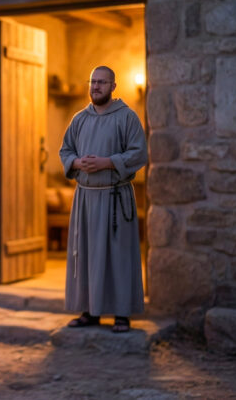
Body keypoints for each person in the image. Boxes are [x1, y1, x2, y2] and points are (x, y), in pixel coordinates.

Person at [59, 66, 147, 333]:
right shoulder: (79, 119)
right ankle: (90, 312)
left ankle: (122, 314)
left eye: (102, 82)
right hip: (86, 199)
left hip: (115, 198)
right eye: (93, 81)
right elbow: (65, 151)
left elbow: (139, 153)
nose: (96, 86)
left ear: (113, 86)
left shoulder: (127, 117)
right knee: (86, 254)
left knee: (118, 256)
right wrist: (76, 162)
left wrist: (108, 162)